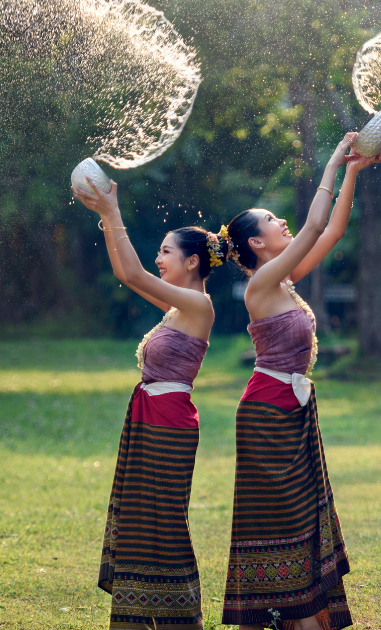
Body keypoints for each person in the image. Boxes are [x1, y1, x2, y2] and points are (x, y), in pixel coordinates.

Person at [219, 133, 381, 630]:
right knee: (286, 523)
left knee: (302, 523)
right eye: (273, 221)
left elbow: (331, 231)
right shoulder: (261, 284)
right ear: (256, 243)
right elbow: (315, 222)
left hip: (291, 414)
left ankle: (299, 619)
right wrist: (335, 158)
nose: (283, 222)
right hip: (267, 416)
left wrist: (353, 172)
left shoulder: (283, 280)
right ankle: (293, 619)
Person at [73, 174, 229, 630]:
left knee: (164, 528)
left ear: (192, 261)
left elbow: (135, 273)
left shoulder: (199, 307)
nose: (158, 260)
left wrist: (111, 210)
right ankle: (137, 620)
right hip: (151, 421)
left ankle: (183, 621)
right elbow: (126, 274)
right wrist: (105, 217)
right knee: (142, 526)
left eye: (165, 252)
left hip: (169, 425)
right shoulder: (177, 309)